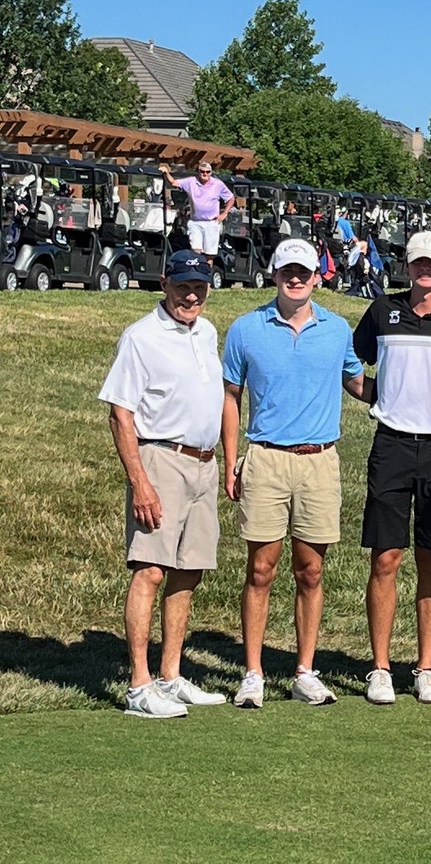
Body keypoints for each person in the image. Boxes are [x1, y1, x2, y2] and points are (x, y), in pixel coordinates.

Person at [221, 238, 368, 708]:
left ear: (318, 275)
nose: (297, 278)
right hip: (265, 458)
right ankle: (253, 672)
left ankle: (305, 670)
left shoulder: (338, 329)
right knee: (260, 570)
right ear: (275, 273)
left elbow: (357, 383)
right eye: (288, 271)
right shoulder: (246, 329)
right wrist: (230, 460)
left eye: (304, 271)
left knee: (311, 570)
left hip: (319, 461)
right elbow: (230, 397)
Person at [99, 250, 227, 718]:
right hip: (160, 460)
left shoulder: (207, 331)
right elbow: (120, 413)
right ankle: (138, 683)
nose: (190, 295)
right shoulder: (141, 337)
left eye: (199, 287)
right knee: (150, 569)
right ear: (164, 283)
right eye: (182, 286)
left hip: (203, 463)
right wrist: (141, 481)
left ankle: (171, 676)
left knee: (188, 571)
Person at [352, 231, 431, 705]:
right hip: (392, 446)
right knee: (385, 558)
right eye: (417, 263)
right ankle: (380, 667)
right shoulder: (384, 310)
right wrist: (375, 396)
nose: (425, 271)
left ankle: (425, 667)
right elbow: (349, 361)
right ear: (407, 266)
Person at [158, 162, 234, 264]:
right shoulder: (191, 182)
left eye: (208, 172)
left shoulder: (218, 184)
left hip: (211, 222)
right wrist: (166, 173)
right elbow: (174, 183)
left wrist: (224, 213)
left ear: (211, 173)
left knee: (209, 254)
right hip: (195, 222)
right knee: (196, 251)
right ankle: (197, 274)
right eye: (202, 171)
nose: (205, 174)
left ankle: (207, 275)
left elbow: (230, 198)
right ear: (198, 172)